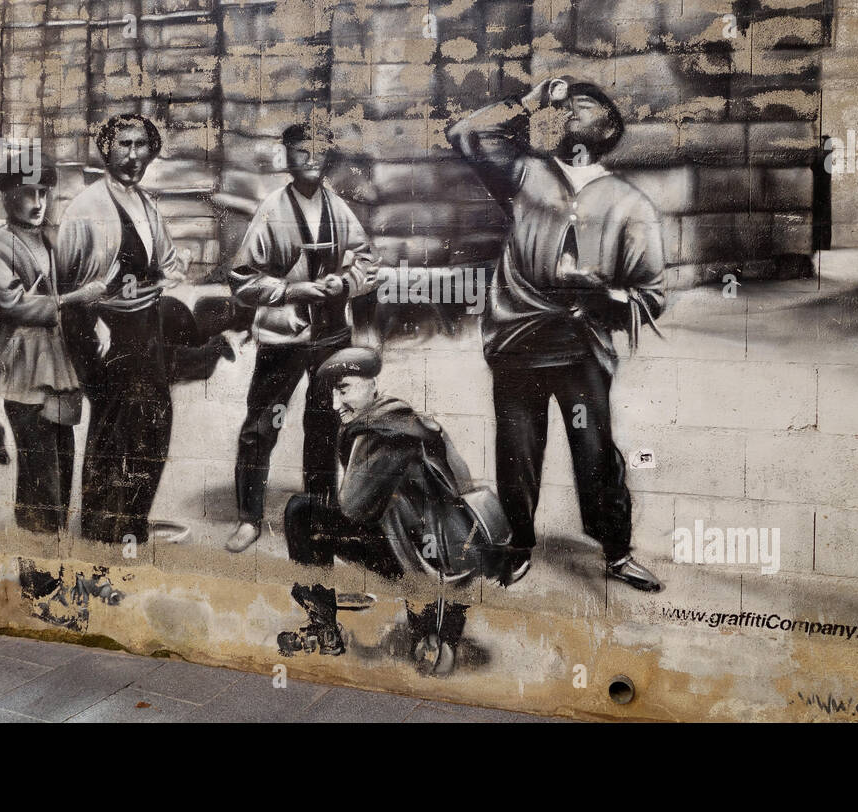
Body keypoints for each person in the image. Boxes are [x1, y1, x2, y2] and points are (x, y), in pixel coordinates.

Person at [447, 76, 668, 592]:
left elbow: (651, 294)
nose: (571, 109)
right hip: (518, 338)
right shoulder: (527, 173)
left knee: (594, 452)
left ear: (608, 127)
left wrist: (602, 295)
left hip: (580, 348)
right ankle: (519, 543)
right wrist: (530, 99)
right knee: (517, 450)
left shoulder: (629, 203)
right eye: (568, 103)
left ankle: (616, 551)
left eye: (585, 105)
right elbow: (464, 133)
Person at [278, 346, 510, 674]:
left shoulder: (381, 432)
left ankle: (324, 627)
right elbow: (461, 480)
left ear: (372, 384)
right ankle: (433, 628)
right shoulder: (411, 420)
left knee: (301, 512)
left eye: (344, 390)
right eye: (330, 393)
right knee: (431, 644)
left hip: (422, 564)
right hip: (448, 557)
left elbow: (353, 508)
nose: (334, 404)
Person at [224, 124, 379, 553]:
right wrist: (293, 291)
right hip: (284, 337)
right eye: (300, 151)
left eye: (318, 150)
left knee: (324, 426)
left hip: (332, 336)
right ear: (286, 157)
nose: (310, 158)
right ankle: (248, 518)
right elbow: (241, 281)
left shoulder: (339, 208)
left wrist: (344, 284)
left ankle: (320, 516)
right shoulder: (272, 209)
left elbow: (368, 263)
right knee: (261, 426)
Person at [56, 115, 189, 545]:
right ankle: (101, 532)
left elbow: (168, 263)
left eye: (142, 146)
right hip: (105, 333)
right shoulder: (85, 209)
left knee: (154, 425)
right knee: (111, 431)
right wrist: (88, 353)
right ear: (105, 150)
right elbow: (66, 285)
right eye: (124, 145)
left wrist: (165, 276)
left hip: (145, 334)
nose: (134, 156)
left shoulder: (147, 205)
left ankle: (133, 523)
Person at [0, 162, 107, 533]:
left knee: (61, 458)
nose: (38, 203)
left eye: (43, 194)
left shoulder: (48, 240)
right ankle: (40, 553)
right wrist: (74, 297)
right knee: (39, 463)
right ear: (7, 197)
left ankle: (51, 539)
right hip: (22, 369)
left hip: (57, 366)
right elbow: (10, 304)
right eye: (28, 194)